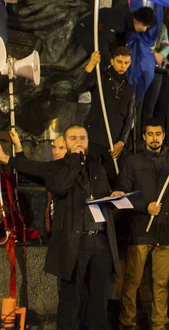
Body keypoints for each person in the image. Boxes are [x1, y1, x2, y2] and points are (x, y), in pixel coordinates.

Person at [43, 125, 123, 329]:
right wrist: (74, 162)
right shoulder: (57, 168)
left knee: (98, 300)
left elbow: (102, 200)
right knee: (71, 300)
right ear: (65, 142)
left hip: (100, 241)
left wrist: (114, 197)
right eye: (73, 138)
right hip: (74, 243)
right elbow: (60, 187)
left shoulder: (97, 167)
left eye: (83, 138)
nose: (79, 142)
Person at [117, 119, 169, 330]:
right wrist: (144, 207)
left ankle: (159, 324)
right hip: (141, 230)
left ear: (164, 135)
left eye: (158, 134)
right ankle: (127, 323)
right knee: (133, 282)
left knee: (161, 284)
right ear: (144, 137)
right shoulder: (132, 162)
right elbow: (123, 194)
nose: (154, 138)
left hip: (167, 232)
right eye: (150, 134)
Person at [73, 48, 135, 186]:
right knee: (87, 178)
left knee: (111, 182)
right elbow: (78, 87)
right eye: (119, 62)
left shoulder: (130, 89)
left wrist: (122, 142)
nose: (122, 66)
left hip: (113, 145)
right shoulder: (100, 79)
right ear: (112, 61)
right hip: (93, 138)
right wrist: (91, 64)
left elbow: (129, 118)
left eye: (126, 63)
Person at [76, 6, 156, 70]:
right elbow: (103, 41)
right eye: (145, 26)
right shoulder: (118, 20)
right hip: (85, 30)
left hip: (99, 34)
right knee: (103, 60)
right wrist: (109, 62)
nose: (145, 29)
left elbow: (120, 45)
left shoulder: (129, 25)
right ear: (137, 21)